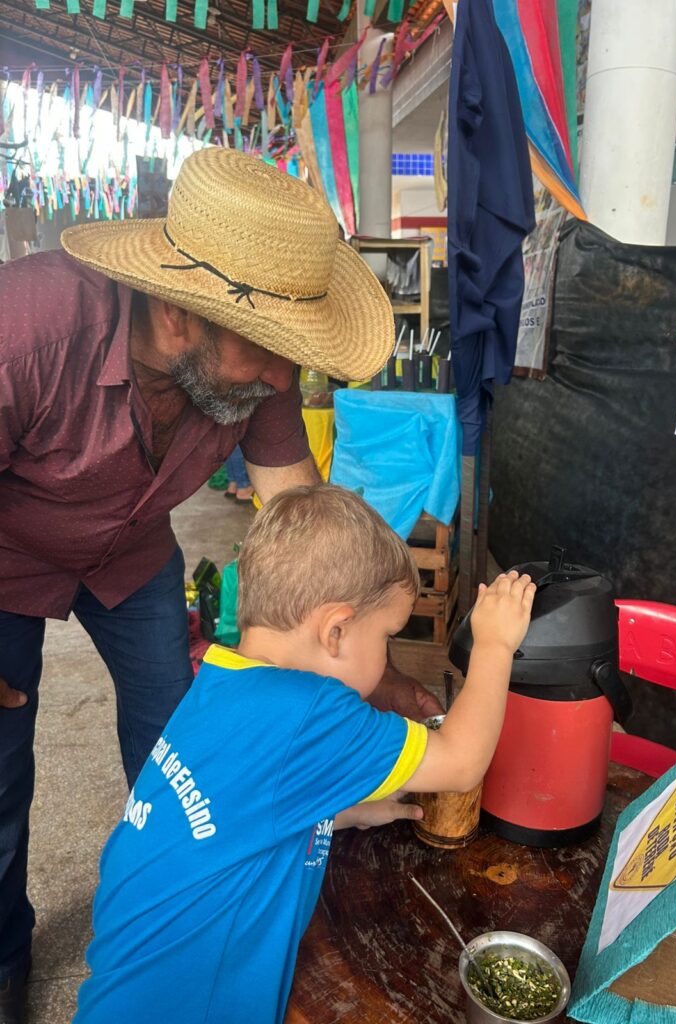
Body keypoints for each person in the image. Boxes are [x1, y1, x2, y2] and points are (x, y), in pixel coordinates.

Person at [0, 148, 441, 1024]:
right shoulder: (26, 330)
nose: (286, 380)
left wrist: (388, 682)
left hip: (132, 559)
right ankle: (6, 960)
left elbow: (315, 552)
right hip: (8, 558)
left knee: (191, 743)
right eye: (270, 355)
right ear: (175, 312)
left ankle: (186, 885)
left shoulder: (256, 372)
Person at [72, 485, 536, 1024]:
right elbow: (461, 762)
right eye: (387, 635)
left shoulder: (223, 678)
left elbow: (233, 814)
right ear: (336, 631)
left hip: (124, 986)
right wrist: (496, 645)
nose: (388, 653)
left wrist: (329, 813)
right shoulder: (311, 711)